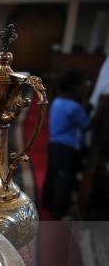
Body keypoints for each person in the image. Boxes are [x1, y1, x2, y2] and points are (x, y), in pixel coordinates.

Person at [42, 71, 90, 218]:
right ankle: (59, 210)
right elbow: (86, 124)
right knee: (65, 179)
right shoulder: (74, 107)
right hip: (68, 149)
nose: (84, 89)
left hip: (53, 145)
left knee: (52, 174)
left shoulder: (57, 102)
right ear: (74, 88)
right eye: (82, 86)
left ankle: (46, 201)